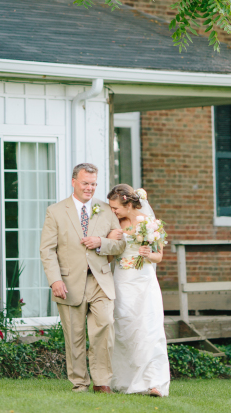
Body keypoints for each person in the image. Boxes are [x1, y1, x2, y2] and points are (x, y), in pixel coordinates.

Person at [40, 163, 126, 394]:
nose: (90, 188)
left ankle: (102, 382)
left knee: (105, 325)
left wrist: (101, 242)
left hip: (100, 280)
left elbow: (120, 244)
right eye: (86, 183)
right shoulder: (56, 211)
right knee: (75, 337)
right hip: (68, 283)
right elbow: (47, 250)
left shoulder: (106, 210)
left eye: (94, 184)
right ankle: (79, 384)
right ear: (74, 182)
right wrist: (55, 280)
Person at [106, 184, 170, 397]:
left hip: (145, 282)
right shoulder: (115, 224)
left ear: (128, 202)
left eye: (115, 207)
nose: (113, 210)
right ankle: (125, 381)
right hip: (122, 281)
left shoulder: (152, 223)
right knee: (125, 329)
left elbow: (158, 256)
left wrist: (147, 254)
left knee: (149, 330)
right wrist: (111, 240)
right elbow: (109, 253)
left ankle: (154, 383)